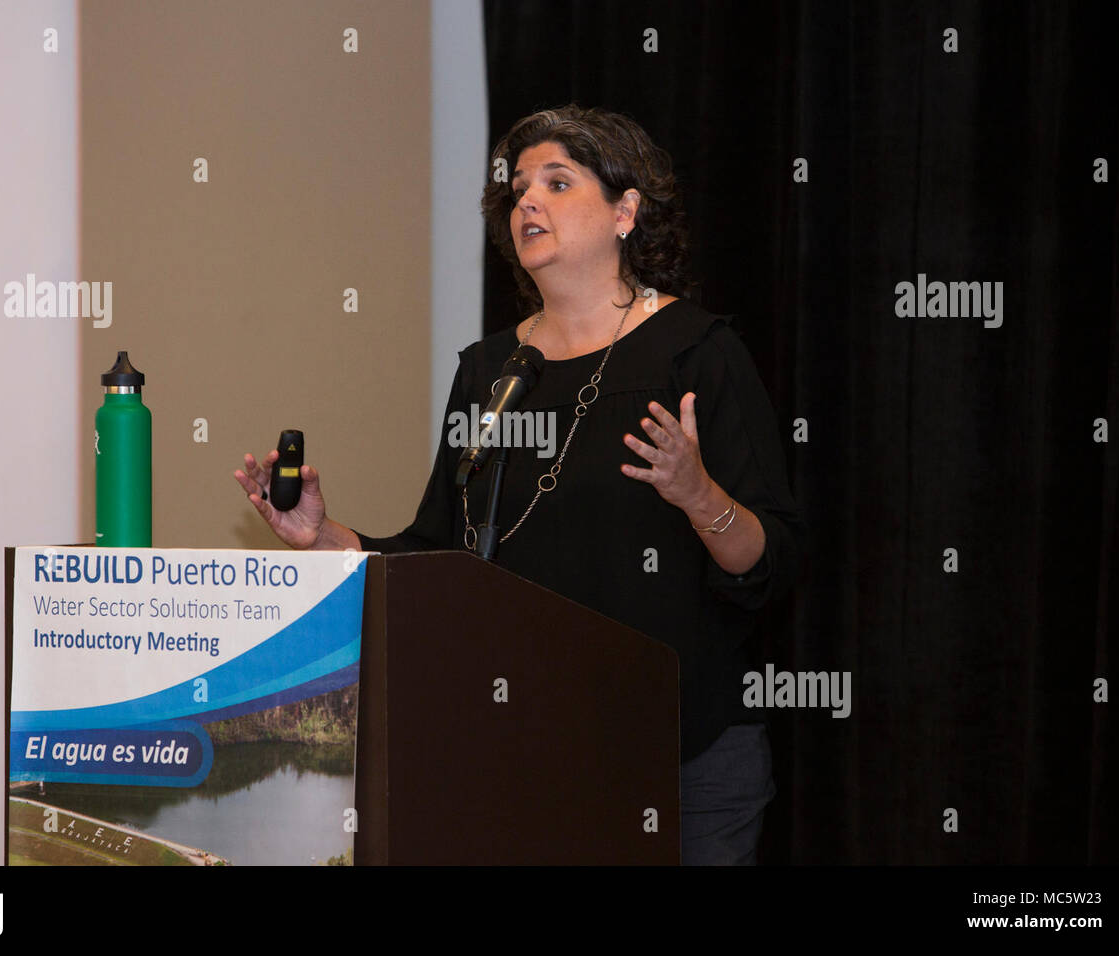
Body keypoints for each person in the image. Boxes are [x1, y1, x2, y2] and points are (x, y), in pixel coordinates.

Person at [233, 105, 807, 865]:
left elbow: (769, 562)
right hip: (530, 759)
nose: (526, 201)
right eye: (517, 189)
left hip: (683, 759)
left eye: (558, 183)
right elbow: (438, 552)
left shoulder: (696, 352)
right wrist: (324, 536)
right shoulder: (492, 373)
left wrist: (698, 493)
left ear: (625, 211)